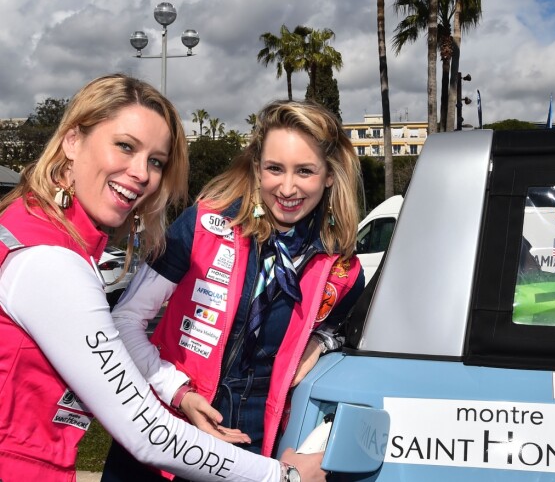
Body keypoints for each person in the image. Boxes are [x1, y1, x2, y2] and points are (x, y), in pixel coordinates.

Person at [0, 75, 324, 482]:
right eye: (125, 146)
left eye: (156, 161)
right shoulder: (49, 260)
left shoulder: (36, 231)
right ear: (71, 141)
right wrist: (284, 477)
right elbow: (148, 433)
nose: (141, 173)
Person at [102, 99, 365, 480]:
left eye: (305, 171)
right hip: (167, 427)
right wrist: (180, 394)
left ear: (328, 175)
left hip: (254, 444)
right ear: (257, 169)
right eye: (275, 168)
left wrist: (324, 340)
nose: (287, 187)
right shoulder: (205, 225)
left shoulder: (340, 268)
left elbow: (351, 329)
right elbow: (125, 321)